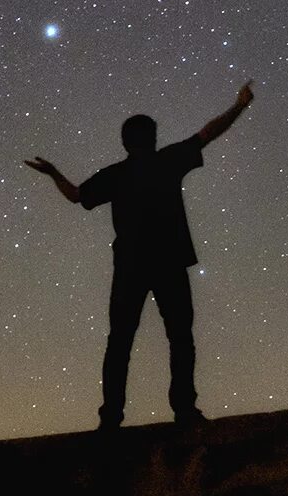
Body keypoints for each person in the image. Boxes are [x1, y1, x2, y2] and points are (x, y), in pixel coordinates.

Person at [25, 80, 255, 430]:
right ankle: (184, 410)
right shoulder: (168, 161)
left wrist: (54, 172)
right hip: (168, 263)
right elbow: (208, 133)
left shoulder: (116, 175)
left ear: (125, 142)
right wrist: (239, 106)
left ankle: (112, 418)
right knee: (178, 337)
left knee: (121, 341)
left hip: (132, 266)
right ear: (153, 137)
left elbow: (75, 196)